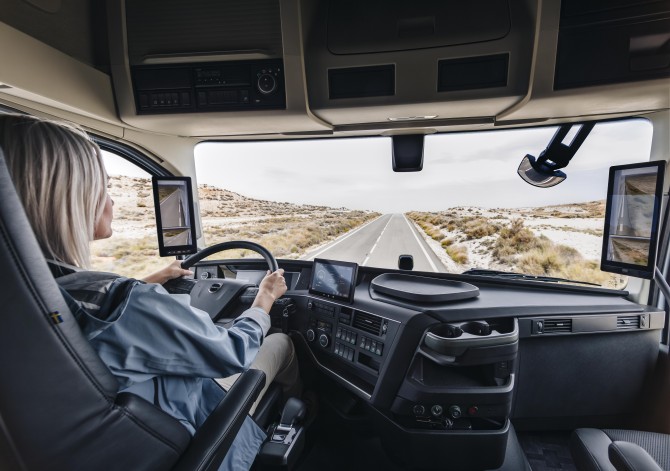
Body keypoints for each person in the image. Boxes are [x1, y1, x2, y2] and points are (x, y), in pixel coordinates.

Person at [0, 113, 299, 470]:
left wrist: (147, 281)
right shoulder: (124, 302)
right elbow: (233, 352)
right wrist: (264, 300)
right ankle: (299, 416)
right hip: (183, 434)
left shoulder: (26, 299)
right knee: (280, 343)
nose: (111, 201)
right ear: (70, 198)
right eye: (103, 186)